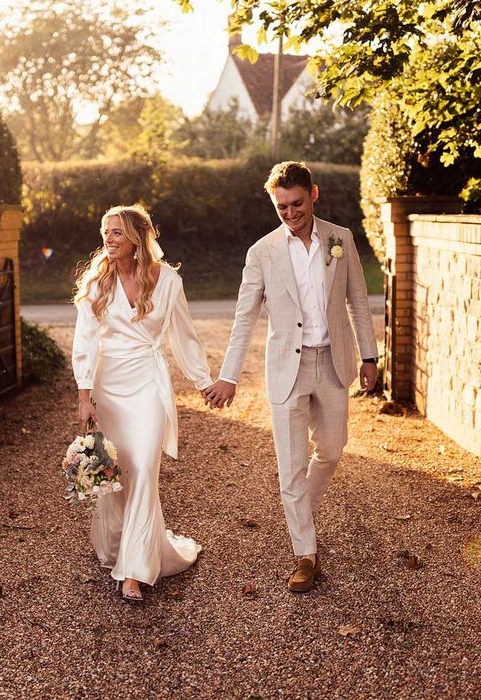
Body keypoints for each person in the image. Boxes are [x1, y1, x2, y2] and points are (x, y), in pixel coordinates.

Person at [203, 161, 378, 592]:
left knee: (333, 450)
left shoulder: (342, 239)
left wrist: (370, 357)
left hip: (334, 363)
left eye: (296, 203)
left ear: (313, 195)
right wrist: (228, 376)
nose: (290, 212)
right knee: (290, 469)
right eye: (281, 206)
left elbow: (358, 300)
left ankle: (304, 508)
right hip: (286, 371)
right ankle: (306, 552)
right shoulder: (261, 253)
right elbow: (244, 318)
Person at [72, 204, 212, 602]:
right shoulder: (96, 282)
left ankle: (133, 570)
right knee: (118, 473)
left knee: (146, 466)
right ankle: (121, 545)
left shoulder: (167, 281)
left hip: (148, 384)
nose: (107, 240)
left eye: (116, 233)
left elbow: (183, 336)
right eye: (105, 232)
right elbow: (85, 343)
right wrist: (85, 396)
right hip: (109, 385)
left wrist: (203, 382)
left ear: (137, 238)